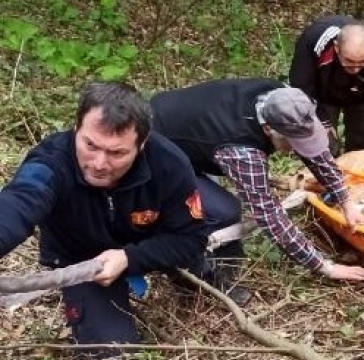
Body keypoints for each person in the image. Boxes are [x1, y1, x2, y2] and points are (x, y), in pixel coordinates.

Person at [0, 81, 210, 358]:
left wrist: (129, 258)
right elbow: (19, 202)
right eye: (90, 145)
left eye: (117, 153)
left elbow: (191, 238)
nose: (99, 163)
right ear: (76, 127)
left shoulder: (168, 164)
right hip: (84, 261)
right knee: (113, 350)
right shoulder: (50, 162)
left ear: (142, 144)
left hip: (149, 240)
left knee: (202, 272)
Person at [150, 78, 364, 285]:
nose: (295, 153)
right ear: (268, 129)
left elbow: (317, 154)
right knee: (223, 211)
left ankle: (221, 262)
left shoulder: (286, 100)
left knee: (222, 206)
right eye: (292, 146)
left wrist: (345, 201)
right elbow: (269, 215)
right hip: (154, 147)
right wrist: (325, 267)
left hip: (186, 125)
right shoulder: (242, 150)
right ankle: (195, 274)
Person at [289, 15, 364, 155]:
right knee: (322, 144)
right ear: (337, 48)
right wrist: (322, 121)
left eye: (362, 61)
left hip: (361, 94)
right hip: (321, 90)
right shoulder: (313, 42)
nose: (356, 68)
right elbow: (301, 89)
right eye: (349, 61)